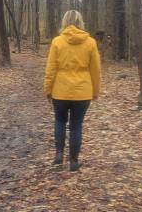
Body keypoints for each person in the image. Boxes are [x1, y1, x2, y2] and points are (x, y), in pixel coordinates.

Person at [43, 10, 101, 172]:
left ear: (65, 21)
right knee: (76, 126)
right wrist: (95, 91)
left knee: (60, 121)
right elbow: (96, 70)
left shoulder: (57, 42)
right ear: (80, 22)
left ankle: (59, 155)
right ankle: (74, 161)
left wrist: (48, 89)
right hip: (82, 92)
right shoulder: (90, 43)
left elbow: (51, 69)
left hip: (60, 91)